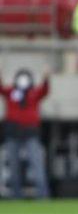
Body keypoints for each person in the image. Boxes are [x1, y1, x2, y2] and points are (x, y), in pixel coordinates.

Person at [0, 68, 50, 199]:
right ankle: (16, 196)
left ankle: (43, 196)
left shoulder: (34, 93)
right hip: (13, 133)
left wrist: (46, 78)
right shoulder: (11, 92)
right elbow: (1, 89)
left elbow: (44, 90)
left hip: (30, 133)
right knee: (13, 166)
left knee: (37, 164)